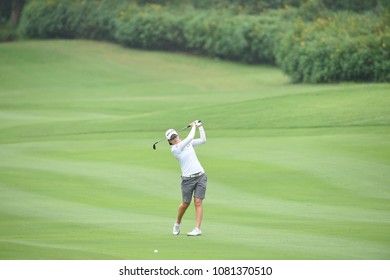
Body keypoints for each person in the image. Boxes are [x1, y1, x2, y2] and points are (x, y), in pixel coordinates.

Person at [165, 120, 207, 236]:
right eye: (172, 138)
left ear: (178, 135)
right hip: (187, 180)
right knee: (185, 204)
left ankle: (197, 229)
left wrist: (200, 127)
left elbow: (203, 140)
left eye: (175, 136)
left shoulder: (187, 143)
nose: (175, 139)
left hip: (200, 176)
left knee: (198, 202)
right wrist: (193, 127)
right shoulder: (175, 149)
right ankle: (177, 223)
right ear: (170, 142)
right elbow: (189, 138)